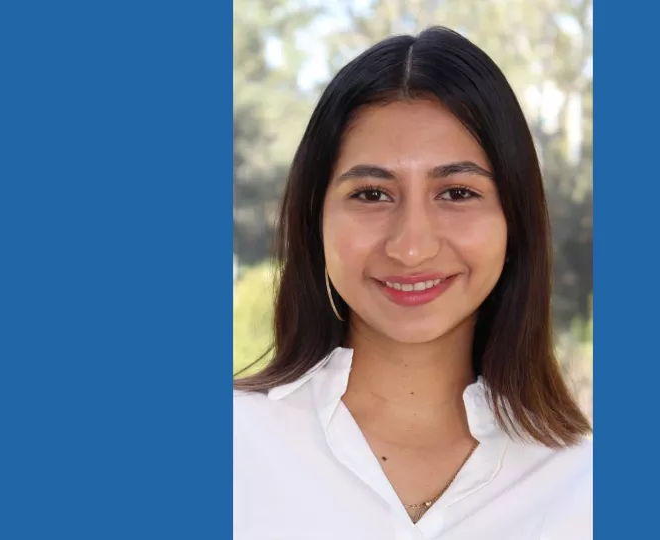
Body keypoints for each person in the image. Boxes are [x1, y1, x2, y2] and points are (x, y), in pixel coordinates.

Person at [233, 26, 592, 540]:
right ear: (315, 220)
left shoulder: (583, 488)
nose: (411, 247)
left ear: (515, 219)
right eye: (373, 194)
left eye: (457, 192)